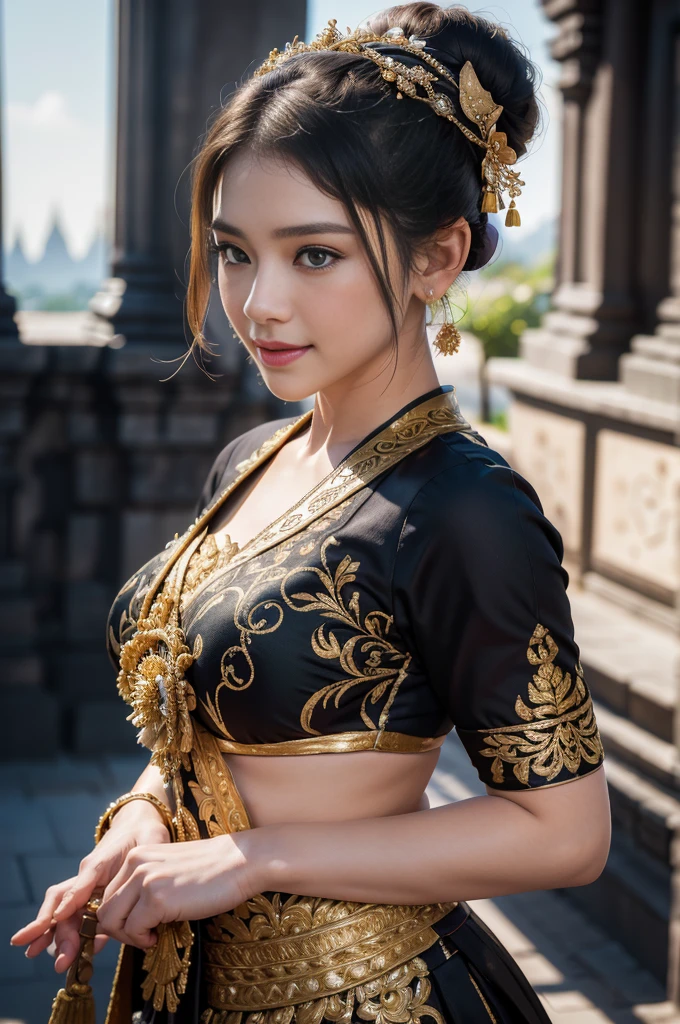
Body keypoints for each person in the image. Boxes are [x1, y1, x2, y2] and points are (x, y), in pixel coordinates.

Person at [12, 5, 611, 1023]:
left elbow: (564, 830)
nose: (257, 304)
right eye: (235, 251)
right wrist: (146, 820)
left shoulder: (465, 507)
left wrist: (251, 858)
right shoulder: (254, 459)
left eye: (315, 255)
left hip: (366, 997)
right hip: (190, 983)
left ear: (438, 257)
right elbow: (206, 725)